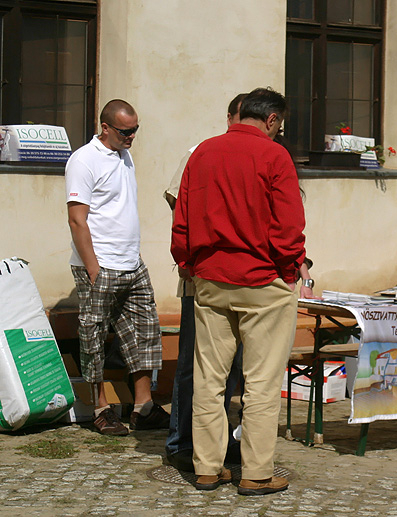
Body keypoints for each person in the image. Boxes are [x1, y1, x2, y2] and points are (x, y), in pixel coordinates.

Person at [171, 87, 306, 495]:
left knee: (208, 378)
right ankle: (256, 473)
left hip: (211, 279)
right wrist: (291, 267)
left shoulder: (203, 153)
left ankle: (207, 468)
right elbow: (287, 225)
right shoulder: (274, 156)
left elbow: (182, 219)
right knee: (260, 381)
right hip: (264, 281)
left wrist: (188, 265)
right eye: (279, 124)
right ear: (271, 119)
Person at [65, 99, 170, 436]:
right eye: (125, 131)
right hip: (100, 265)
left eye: (135, 130)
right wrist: (93, 268)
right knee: (94, 336)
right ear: (105, 127)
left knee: (145, 332)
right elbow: (77, 219)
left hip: (131, 263)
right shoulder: (84, 159)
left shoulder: (125, 155)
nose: (132, 136)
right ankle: (100, 408)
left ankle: (143, 407)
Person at [163, 93, 248, 472]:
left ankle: (217, 440)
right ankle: (182, 440)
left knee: (231, 366)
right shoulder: (201, 152)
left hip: (240, 281)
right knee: (192, 362)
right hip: (200, 279)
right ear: (229, 118)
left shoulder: (259, 154)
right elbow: (177, 203)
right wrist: (190, 253)